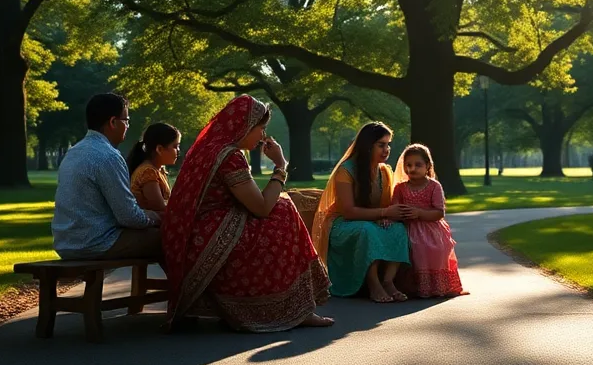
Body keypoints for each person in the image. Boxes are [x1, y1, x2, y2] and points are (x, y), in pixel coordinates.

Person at [161, 95, 333, 331]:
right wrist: (281, 166)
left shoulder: (208, 148)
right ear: (244, 126)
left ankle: (299, 306)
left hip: (191, 235)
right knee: (282, 211)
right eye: (260, 128)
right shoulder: (229, 156)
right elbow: (262, 207)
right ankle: (292, 307)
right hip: (209, 239)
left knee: (282, 206)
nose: (263, 136)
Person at [51, 93, 161, 260]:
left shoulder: (73, 152)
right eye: (126, 121)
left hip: (66, 244)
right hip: (96, 243)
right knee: (173, 237)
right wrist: (156, 217)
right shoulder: (109, 156)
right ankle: (189, 285)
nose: (128, 126)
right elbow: (129, 217)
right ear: (112, 122)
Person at [312, 122, 412, 303]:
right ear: (367, 145)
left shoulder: (384, 171)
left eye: (388, 144)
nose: (386, 149)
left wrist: (386, 216)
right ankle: (373, 283)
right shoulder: (346, 170)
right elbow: (349, 212)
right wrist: (383, 213)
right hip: (342, 224)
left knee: (398, 229)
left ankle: (388, 281)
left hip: (371, 220)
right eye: (381, 145)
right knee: (366, 230)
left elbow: (383, 207)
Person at [392, 144, 465, 298]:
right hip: (408, 227)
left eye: (418, 165)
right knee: (411, 246)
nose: (412, 169)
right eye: (408, 165)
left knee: (433, 247)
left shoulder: (434, 186)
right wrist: (397, 216)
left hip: (431, 227)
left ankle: (436, 286)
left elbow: (439, 212)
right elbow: (394, 208)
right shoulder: (400, 188)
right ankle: (412, 287)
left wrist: (419, 213)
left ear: (428, 166)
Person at [126, 122, 180, 213]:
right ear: (159, 149)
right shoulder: (148, 171)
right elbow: (160, 207)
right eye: (175, 146)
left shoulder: (158, 170)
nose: (178, 151)